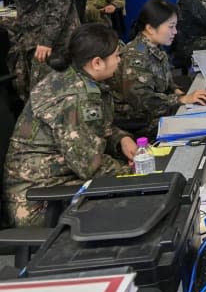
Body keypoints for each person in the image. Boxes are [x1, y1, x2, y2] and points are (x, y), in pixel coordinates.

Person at [2, 24, 138, 227]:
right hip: (39, 201)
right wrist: (140, 170)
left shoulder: (73, 77)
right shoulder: (75, 98)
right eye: (117, 56)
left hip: (57, 180)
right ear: (97, 62)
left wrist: (121, 140)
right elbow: (90, 166)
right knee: (138, 202)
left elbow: (92, 129)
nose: (119, 61)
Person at [112, 0, 206, 139]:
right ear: (150, 28)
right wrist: (181, 100)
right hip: (140, 120)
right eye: (171, 27)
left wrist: (177, 91)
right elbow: (142, 100)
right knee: (201, 130)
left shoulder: (154, 47)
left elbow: (164, 80)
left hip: (157, 109)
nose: (175, 32)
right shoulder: (136, 56)